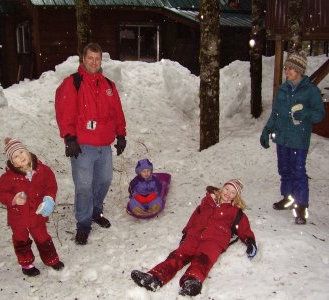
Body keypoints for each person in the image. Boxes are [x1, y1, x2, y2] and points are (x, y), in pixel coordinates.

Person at [131, 179, 257, 297]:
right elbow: (194, 218)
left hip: (215, 240)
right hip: (195, 235)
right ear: (222, 188)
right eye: (227, 189)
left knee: (203, 259)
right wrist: (186, 234)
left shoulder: (235, 212)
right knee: (178, 254)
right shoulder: (207, 202)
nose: (228, 193)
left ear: (236, 196)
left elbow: (244, 228)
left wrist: (250, 241)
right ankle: (155, 278)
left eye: (233, 192)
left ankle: (192, 281)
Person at [55, 42, 127, 245]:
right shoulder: (73, 83)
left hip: (104, 145)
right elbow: (64, 111)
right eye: (90, 58)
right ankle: (83, 224)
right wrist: (69, 138)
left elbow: (117, 112)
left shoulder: (109, 86)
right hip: (83, 145)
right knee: (84, 186)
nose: (94, 62)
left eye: (97, 59)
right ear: (83, 59)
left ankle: (96, 212)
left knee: (104, 180)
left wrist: (121, 135)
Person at [259, 52, 325, 225]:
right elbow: (276, 112)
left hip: (299, 139)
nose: (286, 71)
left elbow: (320, 114)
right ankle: (288, 199)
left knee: (298, 171)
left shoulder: (310, 90)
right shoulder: (283, 88)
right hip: (282, 138)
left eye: (289, 69)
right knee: (284, 169)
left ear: (299, 70)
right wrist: (266, 130)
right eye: (286, 68)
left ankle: (301, 205)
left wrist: (306, 114)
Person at [0, 138, 64, 276]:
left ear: (27, 151)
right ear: (12, 161)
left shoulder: (43, 170)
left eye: (22, 152)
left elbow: (51, 186)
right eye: (16, 156)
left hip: (36, 213)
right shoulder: (9, 177)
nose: (20, 157)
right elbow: (0, 192)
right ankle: (27, 264)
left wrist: (49, 199)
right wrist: (13, 199)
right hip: (18, 216)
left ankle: (51, 259)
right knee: (21, 240)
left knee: (43, 237)